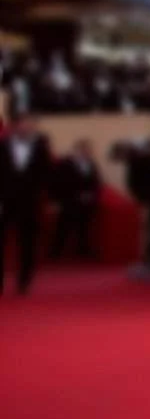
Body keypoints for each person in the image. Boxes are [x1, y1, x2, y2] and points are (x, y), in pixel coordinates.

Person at [0, 113, 52, 294]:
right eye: (23, 124)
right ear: (14, 126)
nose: (27, 127)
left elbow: (46, 174)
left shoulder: (41, 147)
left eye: (30, 125)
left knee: (27, 242)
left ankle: (24, 280)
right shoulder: (2, 146)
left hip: (30, 202)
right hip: (4, 201)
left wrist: (44, 198)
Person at [50, 139, 100, 259]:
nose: (85, 153)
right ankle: (55, 251)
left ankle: (82, 250)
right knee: (63, 227)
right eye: (82, 150)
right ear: (76, 150)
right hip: (69, 201)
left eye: (87, 150)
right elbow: (58, 182)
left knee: (84, 228)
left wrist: (91, 195)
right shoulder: (66, 164)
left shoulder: (91, 165)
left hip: (86, 202)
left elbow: (95, 183)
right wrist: (58, 199)